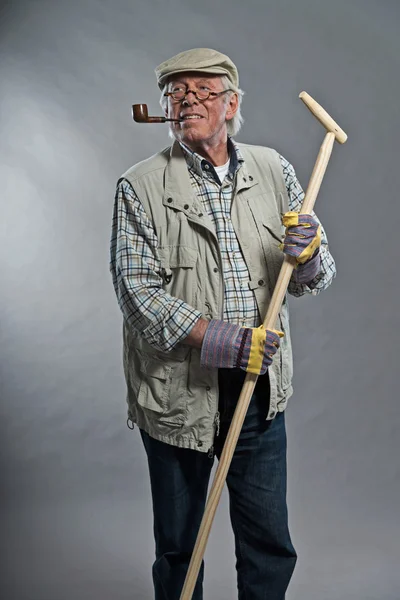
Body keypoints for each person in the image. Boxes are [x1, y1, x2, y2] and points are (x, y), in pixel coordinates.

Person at [109, 48, 336, 600]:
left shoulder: (273, 168)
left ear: (231, 104)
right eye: (175, 93)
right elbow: (137, 294)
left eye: (202, 90)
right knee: (179, 545)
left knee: (268, 542)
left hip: (257, 391)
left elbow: (318, 276)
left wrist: (306, 255)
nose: (187, 100)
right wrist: (225, 340)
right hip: (179, 395)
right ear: (163, 109)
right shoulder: (140, 186)